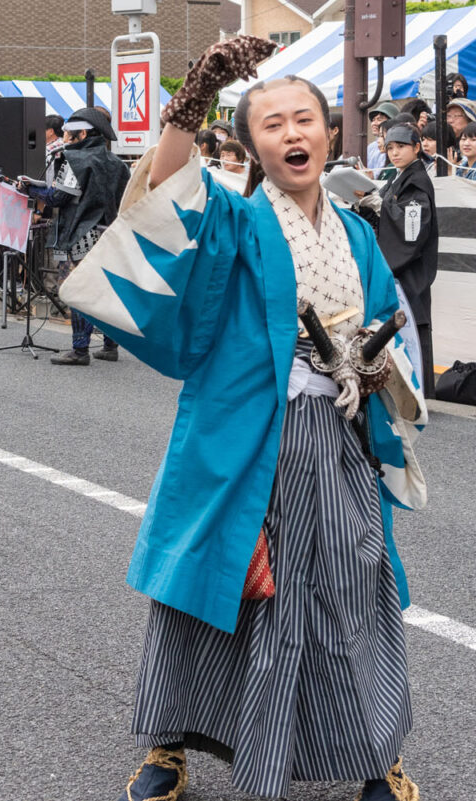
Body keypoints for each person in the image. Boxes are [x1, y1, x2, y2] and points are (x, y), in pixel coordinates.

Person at [61, 36, 426, 801]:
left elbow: (390, 326)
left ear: (330, 134)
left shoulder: (358, 232)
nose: (293, 134)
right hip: (243, 431)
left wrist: (373, 365)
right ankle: (169, 742)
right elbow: (166, 193)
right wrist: (190, 103)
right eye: (273, 124)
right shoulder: (232, 216)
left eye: (306, 120)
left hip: (337, 434)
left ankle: (374, 749)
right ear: (250, 144)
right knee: (211, 585)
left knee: (356, 584)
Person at [24, 107, 130, 363]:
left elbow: (58, 197)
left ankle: (80, 349)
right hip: (110, 234)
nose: (66, 137)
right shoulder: (118, 164)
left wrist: (29, 188)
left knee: (77, 290)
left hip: (79, 235)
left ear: (82, 133)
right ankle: (110, 346)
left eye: (70, 133)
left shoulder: (74, 161)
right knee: (105, 291)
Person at [368, 124, 440, 399]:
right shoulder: (399, 178)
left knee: (411, 323)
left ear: (417, 148)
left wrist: (382, 207)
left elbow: (412, 228)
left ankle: (416, 388)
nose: (395, 152)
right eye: (390, 148)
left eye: (401, 147)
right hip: (400, 266)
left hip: (410, 268)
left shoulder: (417, 181)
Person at [366, 102, 398, 172]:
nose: (374, 123)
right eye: (373, 120)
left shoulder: (398, 146)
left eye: (379, 119)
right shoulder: (371, 147)